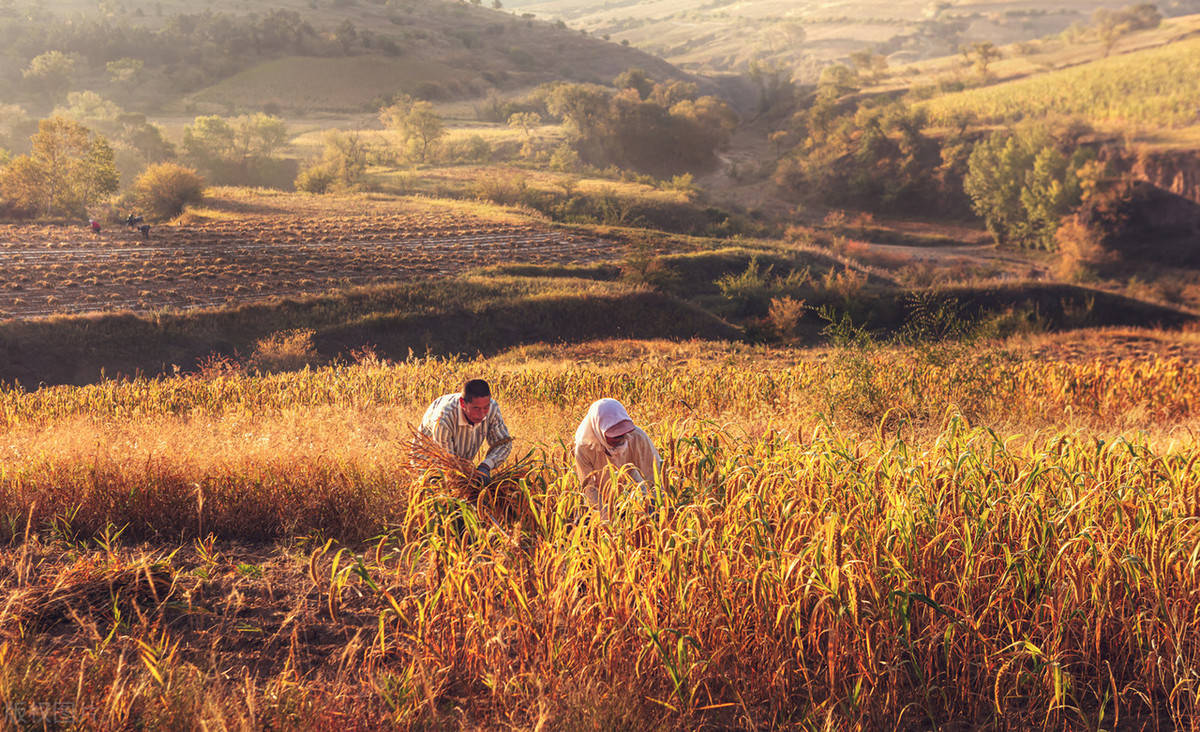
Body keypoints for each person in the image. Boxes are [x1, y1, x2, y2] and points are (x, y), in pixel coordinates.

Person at [573, 398, 661, 519]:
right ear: (599, 431)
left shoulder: (636, 437)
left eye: (624, 433)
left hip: (632, 495)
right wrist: (607, 518)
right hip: (599, 501)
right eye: (616, 436)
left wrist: (656, 505)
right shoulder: (584, 449)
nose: (623, 438)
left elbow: (653, 474)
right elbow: (589, 488)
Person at [417, 378, 512, 481]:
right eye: (476, 408)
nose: (482, 414)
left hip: (458, 465)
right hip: (431, 465)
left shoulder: (492, 408)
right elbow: (448, 462)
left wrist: (485, 466)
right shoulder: (443, 418)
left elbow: (504, 443)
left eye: (485, 407)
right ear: (462, 404)